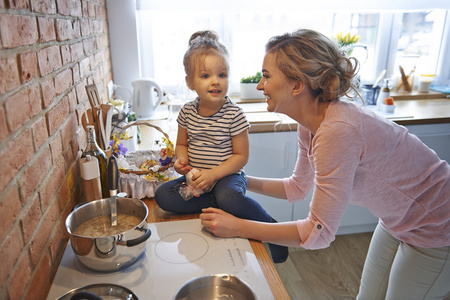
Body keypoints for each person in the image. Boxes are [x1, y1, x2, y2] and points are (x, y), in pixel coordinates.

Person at [199, 29, 450, 299]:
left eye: (267, 76)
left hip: (437, 225)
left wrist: (237, 227)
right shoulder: (311, 123)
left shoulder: (337, 132)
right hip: (396, 220)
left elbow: (317, 233)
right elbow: (297, 188)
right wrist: (239, 180)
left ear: (297, 86)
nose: (260, 85)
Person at [155, 30, 288, 263]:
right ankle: (218, 202)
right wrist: (181, 162)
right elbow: (181, 144)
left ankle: (271, 229)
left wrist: (213, 175)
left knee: (229, 195)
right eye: (205, 75)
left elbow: (241, 156)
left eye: (222, 74)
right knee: (163, 196)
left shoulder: (234, 113)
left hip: (227, 177)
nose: (216, 81)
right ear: (190, 82)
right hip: (197, 180)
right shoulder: (186, 112)